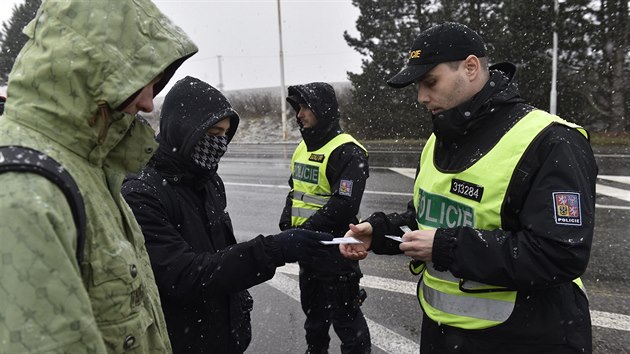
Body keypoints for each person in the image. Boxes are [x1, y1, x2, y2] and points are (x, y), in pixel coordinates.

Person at [340, 22, 597, 354]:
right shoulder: (438, 141)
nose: (421, 97)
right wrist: (379, 232)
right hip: (443, 334)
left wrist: (448, 247)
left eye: (430, 82)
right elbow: (427, 220)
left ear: (471, 67)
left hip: (527, 338)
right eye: (418, 85)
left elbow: (560, 253)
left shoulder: (551, 141)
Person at [0, 0, 198, 352]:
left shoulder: (88, 168)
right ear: (94, 71)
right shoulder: (24, 192)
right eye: (143, 82)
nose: (150, 103)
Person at [121, 76, 334, 354]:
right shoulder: (142, 193)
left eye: (225, 135)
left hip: (225, 336)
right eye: (212, 134)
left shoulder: (206, 179)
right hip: (184, 343)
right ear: (184, 129)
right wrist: (273, 249)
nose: (220, 144)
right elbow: (184, 275)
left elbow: (221, 252)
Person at [279, 82, 371, 354]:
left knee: (347, 323)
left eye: (306, 107)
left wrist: (303, 232)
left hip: (336, 253)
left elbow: (344, 204)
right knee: (315, 320)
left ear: (324, 110)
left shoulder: (348, 151)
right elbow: (295, 190)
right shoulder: (302, 147)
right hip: (308, 252)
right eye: (298, 107)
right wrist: (287, 225)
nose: (299, 114)